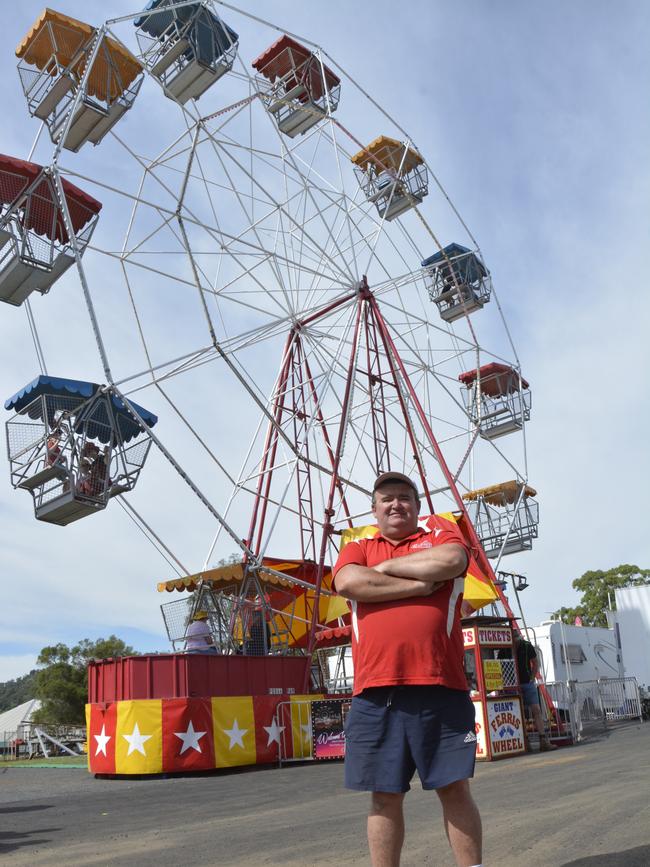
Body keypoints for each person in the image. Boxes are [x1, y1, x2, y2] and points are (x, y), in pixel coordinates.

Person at [333, 472, 483, 867]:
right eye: (387, 499)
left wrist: (381, 572)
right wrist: (418, 586)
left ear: (417, 506)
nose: (396, 504)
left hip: (441, 685)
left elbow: (454, 560)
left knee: (453, 789)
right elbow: (348, 582)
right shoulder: (359, 545)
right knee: (383, 795)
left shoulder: (440, 534)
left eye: (404, 497)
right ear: (375, 509)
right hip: (375, 692)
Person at [508, 633, 557, 752]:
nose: (515, 642)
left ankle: (543, 740)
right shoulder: (506, 647)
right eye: (513, 640)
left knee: (536, 709)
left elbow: (535, 662)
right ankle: (525, 742)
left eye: (516, 639)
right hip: (513, 685)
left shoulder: (526, 645)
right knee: (518, 713)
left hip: (527, 683)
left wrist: (532, 677)